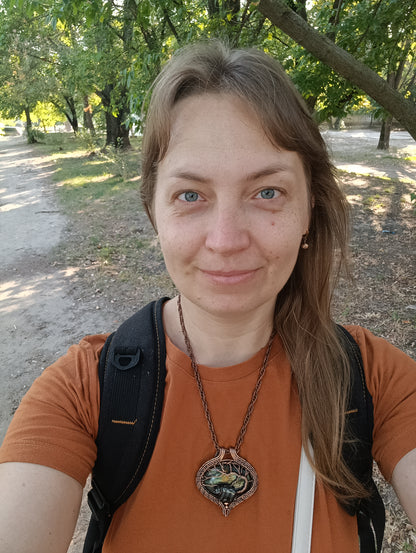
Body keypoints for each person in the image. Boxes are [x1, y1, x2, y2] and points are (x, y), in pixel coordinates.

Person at [0, 40, 415, 553]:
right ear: (155, 212)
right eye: (191, 195)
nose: (226, 240)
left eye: (267, 192)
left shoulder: (375, 381)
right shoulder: (86, 391)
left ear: (309, 209)